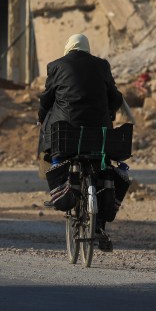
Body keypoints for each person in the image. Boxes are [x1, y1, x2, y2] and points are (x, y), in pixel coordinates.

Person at [38, 33, 124, 252]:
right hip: (98, 134)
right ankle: (100, 225)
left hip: (67, 134)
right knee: (103, 168)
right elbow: (115, 97)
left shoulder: (55, 66)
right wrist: (110, 112)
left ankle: (65, 187)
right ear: (87, 48)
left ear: (68, 48)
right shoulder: (102, 65)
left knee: (57, 150)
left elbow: (46, 99)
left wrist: (40, 118)